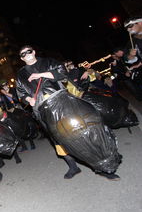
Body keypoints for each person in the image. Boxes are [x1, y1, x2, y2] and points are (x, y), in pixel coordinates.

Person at [16, 45, 120, 180]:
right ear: (21, 58)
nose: (26, 55)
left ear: (34, 52)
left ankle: (103, 164)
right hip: (42, 109)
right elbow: (21, 93)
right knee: (58, 139)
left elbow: (62, 73)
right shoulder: (20, 74)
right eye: (23, 54)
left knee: (85, 129)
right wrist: (28, 99)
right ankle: (73, 166)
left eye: (28, 51)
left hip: (62, 100)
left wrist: (40, 74)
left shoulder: (48, 62)